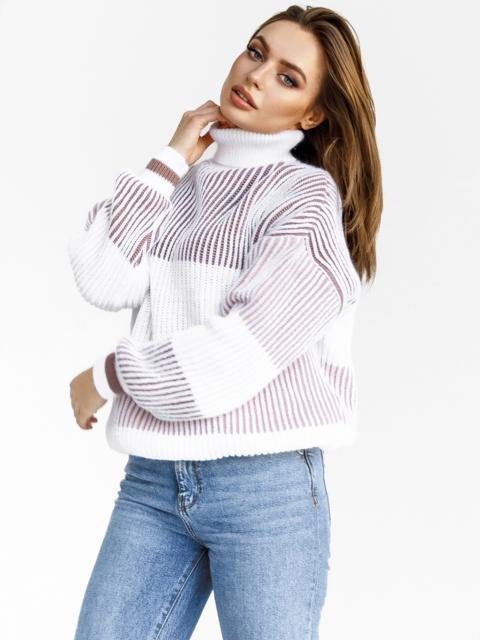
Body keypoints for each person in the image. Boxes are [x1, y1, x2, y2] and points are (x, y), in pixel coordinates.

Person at [68, 5, 382, 639]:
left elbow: (232, 359)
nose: (256, 75)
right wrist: (170, 159)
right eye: (256, 51)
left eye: (288, 77)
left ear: (312, 114)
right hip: (155, 481)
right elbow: (102, 277)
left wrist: (108, 375)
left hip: (265, 489)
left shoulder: (305, 202)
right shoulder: (184, 185)